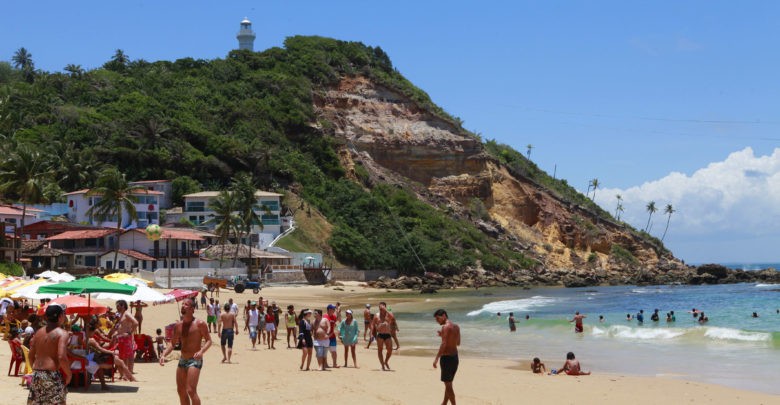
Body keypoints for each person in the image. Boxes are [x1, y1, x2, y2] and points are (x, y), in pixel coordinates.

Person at [160, 298, 212, 405]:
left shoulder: (200, 324)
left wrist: (201, 352)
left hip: (195, 360)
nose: (183, 305)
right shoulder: (178, 325)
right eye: (182, 304)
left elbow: (209, 341)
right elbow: (172, 344)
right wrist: (163, 354)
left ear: (192, 308)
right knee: (180, 390)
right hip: (182, 360)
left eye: (186, 304)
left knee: (191, 390)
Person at [28, 303, 71, 405]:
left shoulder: (38, 332)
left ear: (46, 317)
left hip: (37, 374)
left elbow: (30, 355)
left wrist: (34, 370)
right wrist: (69, 374)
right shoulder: (62, 333)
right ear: (61, 316)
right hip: (51, 374)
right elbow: (61, 357)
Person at [433, 309, 460, 405]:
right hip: (455, 358)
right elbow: (458, 343)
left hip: (446, 359)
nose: (437, 321)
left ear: (444, 315)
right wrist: (443, 336)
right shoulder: (456, 327)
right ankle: (444, 403)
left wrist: (436, 358)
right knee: (449, 383)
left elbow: (444, 344)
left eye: (437, 318)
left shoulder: (445, 327)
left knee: (448, 386)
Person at [110, 299, 139, 374]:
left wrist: (130, 332)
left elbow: (135, 323)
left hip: (126, 338)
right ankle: (126, 374)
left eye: (118, 306)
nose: (117, 307)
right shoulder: (122, 314)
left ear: (123, 306)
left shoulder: (126, 314)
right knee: (124, 356)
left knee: (128, 356)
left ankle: (129, 372)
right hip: (121, 337)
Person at [370, 302, 396, 371]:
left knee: (390, 350)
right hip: (380, 334)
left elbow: (393, 317)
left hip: (387, 334)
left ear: (385, 307)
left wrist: (385, 310)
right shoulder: (376, 315)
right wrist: (371, 334)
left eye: (382, 306)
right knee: (380, 350)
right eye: (379, 307)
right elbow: (372, 324)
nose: (380, 308)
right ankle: (382, 365)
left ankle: (386, 361)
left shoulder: (388, 314)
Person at [324, 303, 341, 368]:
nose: (334, 310)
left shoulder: (333, 316)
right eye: (333, 309)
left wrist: (338, 312)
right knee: (325, 351)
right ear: (329, 309)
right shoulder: (325, 317)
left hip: (333, 336)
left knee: (334, 351)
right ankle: (325, 364)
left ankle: (334, 364)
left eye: (334, 308)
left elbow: (339, 320)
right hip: (326, 337)